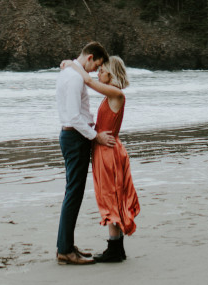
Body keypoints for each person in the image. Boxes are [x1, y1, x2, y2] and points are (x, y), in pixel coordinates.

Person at [63, 54, 139, 263]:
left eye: (102, 70)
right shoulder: (111, 95)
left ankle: (115, 248)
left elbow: (87, 81)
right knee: (110, 195)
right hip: (105, 149)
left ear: (112, 73)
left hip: (108, 152)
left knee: (110, 196)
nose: (99, 73)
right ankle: (117, 248)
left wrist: (72, 65)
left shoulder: (116, 94)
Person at [56, 41, 114, 265]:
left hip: (72, 137)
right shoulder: (74, 77)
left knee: (73, 191)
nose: (95, 71)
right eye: (96, 65)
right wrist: (95, 136)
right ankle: (65, 250)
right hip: (75, 137)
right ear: (89, 57)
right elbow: (73, 117)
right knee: (74, 193)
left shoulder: (68, 73)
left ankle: (66, 245)